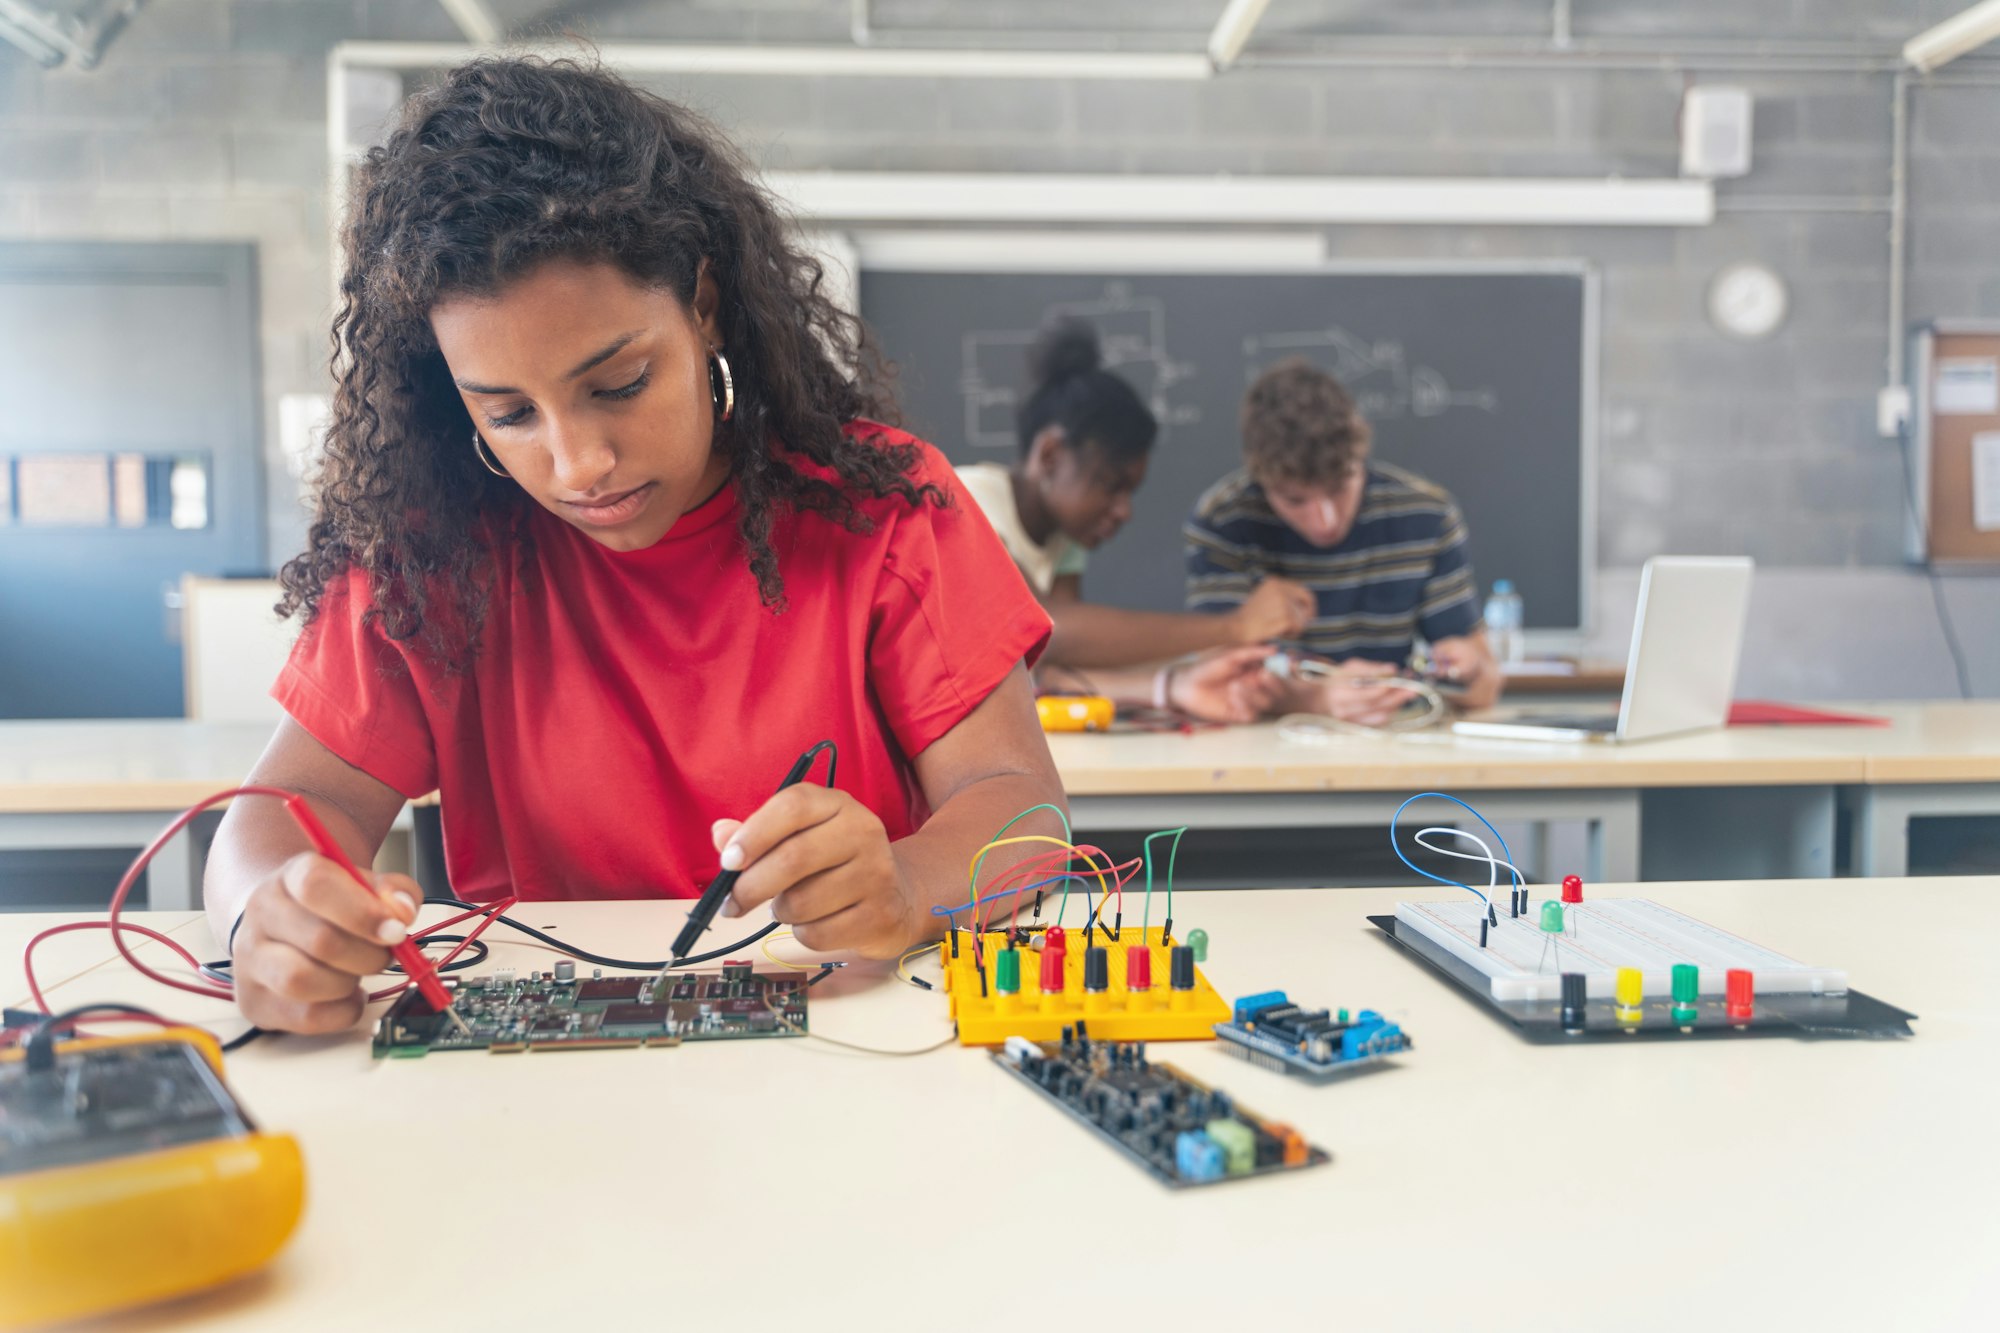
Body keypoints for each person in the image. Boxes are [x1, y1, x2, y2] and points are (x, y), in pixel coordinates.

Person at [203, 57, 1066, 1036]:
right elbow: (278, 814)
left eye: (616, 383)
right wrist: (262, 919)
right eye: (509, 413)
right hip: (546, 1089)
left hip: (856, 1050)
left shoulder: (886, 513)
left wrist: (908, 882)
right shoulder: (432, 556)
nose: (580, 464)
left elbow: (1023, 809)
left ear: (701, 305)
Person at [956, 318, 1310, 723]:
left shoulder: (1063, 539)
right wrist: (1236, 626)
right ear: (1051, 456)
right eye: (1111, 485)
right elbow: (1050, 630)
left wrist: (1176, 687)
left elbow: (1056, 670)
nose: (1125, 510)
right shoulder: (965, 500)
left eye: (1130, 492)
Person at [1185, 358, 1502, 726]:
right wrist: (1318, 698)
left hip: (1391, 737)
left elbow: (1486, 683)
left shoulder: (1425, 514)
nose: (1326, 522)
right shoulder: (1224, 519)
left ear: (1359, 457)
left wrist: (1469, 668)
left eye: (1339, 488)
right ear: (1260, 479)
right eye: (1295, 500)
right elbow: (1217, 680)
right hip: (1270, 746)